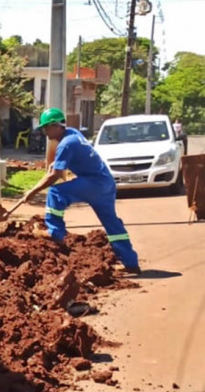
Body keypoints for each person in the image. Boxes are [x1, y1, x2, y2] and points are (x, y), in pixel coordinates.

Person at [17, 107, 141, 273]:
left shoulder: (66, 145)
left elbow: (54, 176)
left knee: (55, 193)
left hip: (92, 183)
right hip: (106, 182)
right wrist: (57, 165)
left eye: (46, 128)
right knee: (112, 225)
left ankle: (55, 232)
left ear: (56, 126)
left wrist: (31, 192)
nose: (45, 132)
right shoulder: (73, 133)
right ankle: (131, 262)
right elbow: (68, 161)